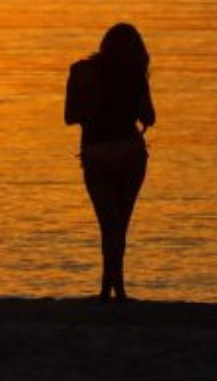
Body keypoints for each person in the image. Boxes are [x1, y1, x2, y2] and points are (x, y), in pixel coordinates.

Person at [65, 22, 156, 302]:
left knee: (108, 224)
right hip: (130, 152)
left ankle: (108, 289)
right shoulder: (135, 75)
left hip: (97, 153)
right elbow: (149, 117)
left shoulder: (80, 71)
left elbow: (70, 116)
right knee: (120, 224)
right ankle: (117, 289)